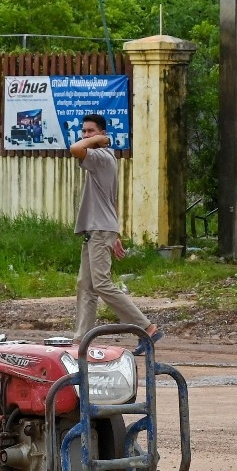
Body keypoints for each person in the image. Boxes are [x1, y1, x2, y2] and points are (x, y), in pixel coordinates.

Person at [71, 113, 162, 351]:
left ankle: (147, 328)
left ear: (102, 133)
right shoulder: (103, 157)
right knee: (85, 284)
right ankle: (81, 339)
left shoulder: (101, 156)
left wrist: (98, 140)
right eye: (83, 131)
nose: (85, 135)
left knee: (101, 284)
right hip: (98, 228)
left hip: (100, 229)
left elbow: (74, 148)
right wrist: (116, 232)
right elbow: (110, 199)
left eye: (90, 131)